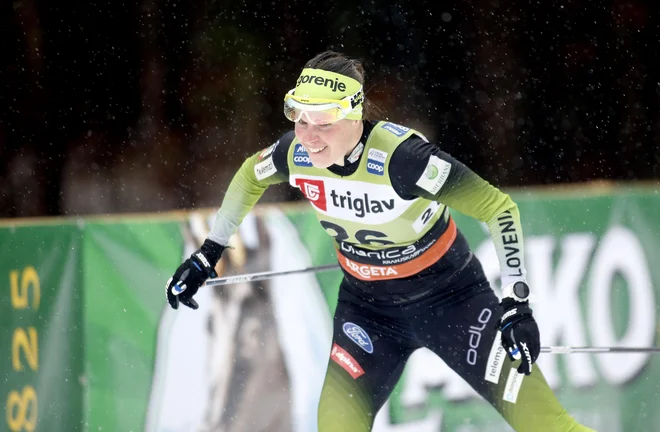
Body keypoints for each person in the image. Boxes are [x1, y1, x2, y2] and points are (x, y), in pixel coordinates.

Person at [165, 51, 595, 432]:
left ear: (354, 116)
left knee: (546, 426)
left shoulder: (404, 160)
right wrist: (209, 253)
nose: (308, 137)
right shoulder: (294, 153)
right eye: (298, 119)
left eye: (323, 124)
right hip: (369, 314)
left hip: (454, 304)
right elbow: (248, 175)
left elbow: (499, 208)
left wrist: (516, 302)